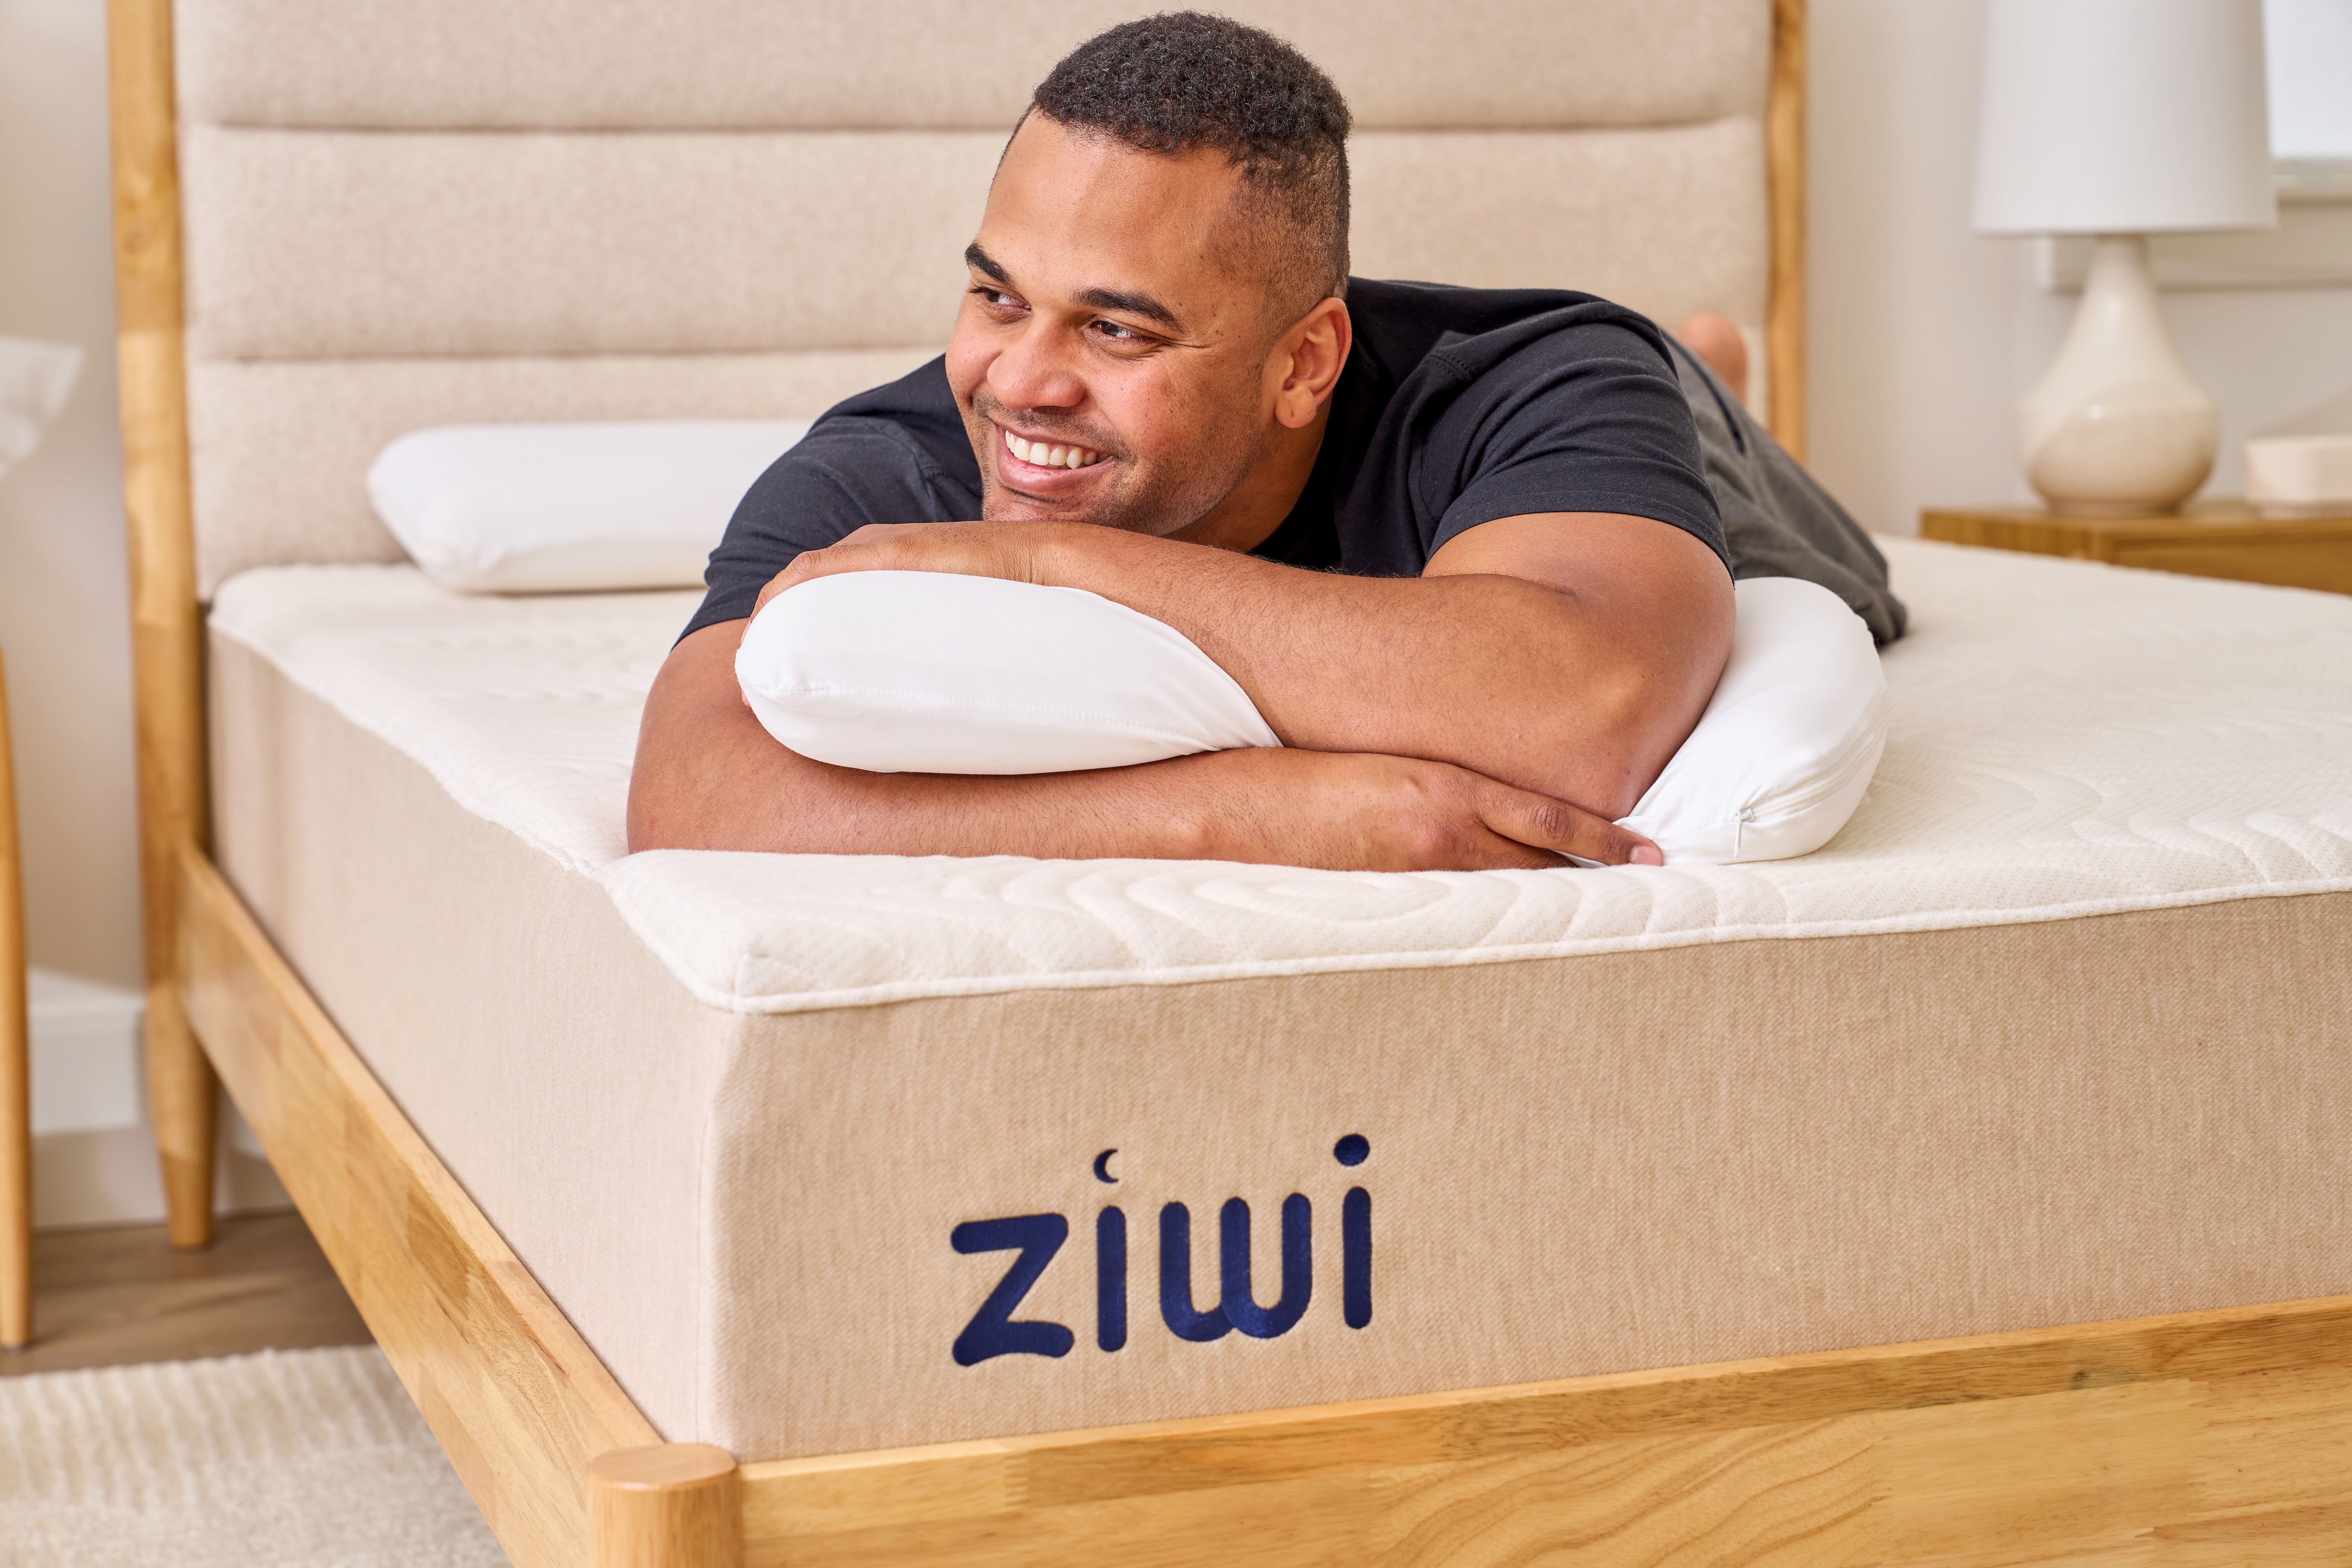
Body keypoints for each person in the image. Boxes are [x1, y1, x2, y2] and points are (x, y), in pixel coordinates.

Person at [629, 12, 1902, 872]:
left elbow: (1589, 709)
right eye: (997, 295)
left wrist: (1047, 565)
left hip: (1672, 436)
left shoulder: (1541, 382)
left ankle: (1714, 369)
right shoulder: (890, 462)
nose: (1019, 383)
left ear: (1304, 366)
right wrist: (1249, 813)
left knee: (1737, 474)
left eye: (1116, 331)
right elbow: (690, 795)